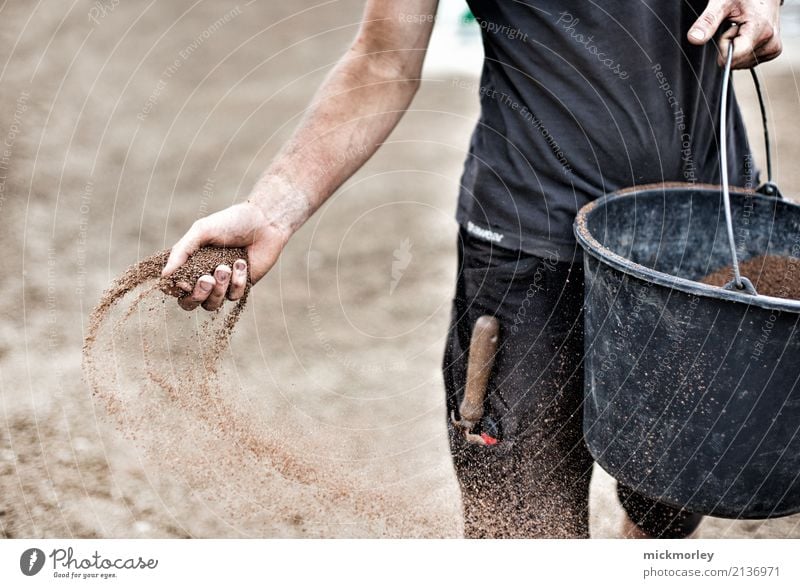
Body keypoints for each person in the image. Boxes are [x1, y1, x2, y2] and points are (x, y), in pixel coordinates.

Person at [160, 0, 783, 538]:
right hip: (527, 245)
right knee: (519, 529)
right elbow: (384, 58)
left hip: (702, 235)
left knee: (670, 504)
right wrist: (273, 209)